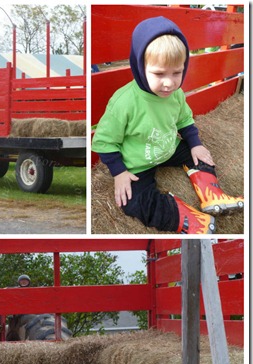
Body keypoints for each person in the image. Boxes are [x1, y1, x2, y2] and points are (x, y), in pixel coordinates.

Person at [92, 16, 243, 234]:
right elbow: (104, 141)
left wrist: (195, 144)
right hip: (137, 163)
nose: (169, 82)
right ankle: (189, 219)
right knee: (132, 203)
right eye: (159, 73)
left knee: (202, 156)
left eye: (177, 73)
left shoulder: (176, 94)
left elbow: (184, 120)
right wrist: (119, 172)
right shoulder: (124, 102)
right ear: (139, 65)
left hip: (168, 148)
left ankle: (212, 196)